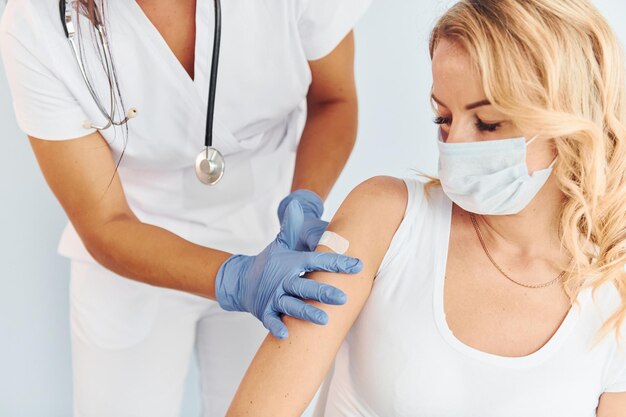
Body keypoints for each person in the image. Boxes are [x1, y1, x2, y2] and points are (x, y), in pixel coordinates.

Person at [224, 1, 626, 416]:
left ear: (574, 121)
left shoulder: (615, 298)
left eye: (488, 123)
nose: (455, 146)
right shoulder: (386, 219)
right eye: (444, 119)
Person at [0, 0, 371, 415]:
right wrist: (235, 277)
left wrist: (305, 196)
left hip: (274, 242)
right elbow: (104, 221)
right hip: (134, 254)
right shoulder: (37, 20)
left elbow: (333, 100)